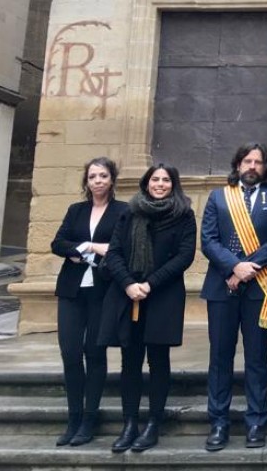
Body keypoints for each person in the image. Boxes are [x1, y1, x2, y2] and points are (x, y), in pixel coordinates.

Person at [199, 143, 267, 451]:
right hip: (222, 286)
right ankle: (219, 422)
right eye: (247, 161)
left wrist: (247, 268)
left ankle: (256, 421)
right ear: (238, 164)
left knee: (256, 359)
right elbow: (209, 241)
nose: (253, 166)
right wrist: (234, 266)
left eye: (259, 162)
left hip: (260, 288)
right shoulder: (218, 197)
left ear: (266, 167)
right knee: (220, 358)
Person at [100, 164, 197, 453]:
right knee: (130, 361)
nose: (160, 184)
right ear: (146, 183)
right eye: (155, 179)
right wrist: (129, 284)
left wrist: (149, 284)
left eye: (166, 180)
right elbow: (114, 251)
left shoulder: (184, 215)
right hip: (127, 294)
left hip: (162, 296)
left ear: (174, 185)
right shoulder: (129, 213)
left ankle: (154, 423)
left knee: (158, 360)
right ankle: (129, 423)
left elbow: (184, 256)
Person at [51, 157, 127, 447]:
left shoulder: (123, 211)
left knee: (94, 353)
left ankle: (89, 419)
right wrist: (87, 250)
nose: (97, 180)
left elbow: (121, 247)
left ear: (111, 180)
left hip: (103, 292)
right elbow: (58, 243)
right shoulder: (76, 210)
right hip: (72, 290)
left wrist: (86, 247)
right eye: (93, 176)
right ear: (87, 181)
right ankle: (73, 417)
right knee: (70, 353)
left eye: (103, 175)